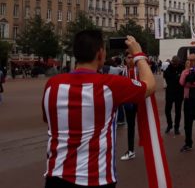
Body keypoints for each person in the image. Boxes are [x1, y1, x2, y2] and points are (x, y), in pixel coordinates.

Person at [42, 30, 156, 188]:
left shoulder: (52, 85)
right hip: (97, 178)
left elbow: (50, 121)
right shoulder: (110, 84)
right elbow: (149, 85)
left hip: (56, 176)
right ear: (100, 54)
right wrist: (138, 54)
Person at [120, 54, 139, 161]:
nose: (130, 59)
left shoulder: (139, 70)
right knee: (131, 125)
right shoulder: (123, 71)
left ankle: (152, 149)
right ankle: (131, 150)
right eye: (128, 57)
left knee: (145, 124)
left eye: (132, 57)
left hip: (139, 100)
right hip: (128, 101)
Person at [163, 56, 184, 135]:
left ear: (178, 63)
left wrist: (175, 77)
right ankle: (169, 124)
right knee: (167, 110)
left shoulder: (182, 68)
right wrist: (176, 77)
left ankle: (176, 127)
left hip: (179, 93)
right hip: (170, 92)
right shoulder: (168, 69)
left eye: (176, 64)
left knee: (178, 111)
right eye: (173, 63)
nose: (175, 65)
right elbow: (166, 77)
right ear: (172, 62)